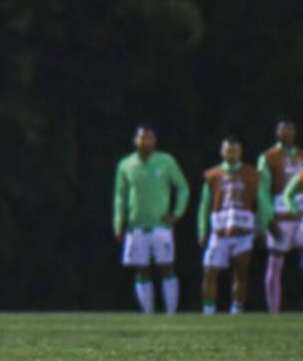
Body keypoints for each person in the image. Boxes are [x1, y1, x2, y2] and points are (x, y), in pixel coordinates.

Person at [113, 124, 190, 313]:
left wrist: (177, 213)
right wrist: (118, 222)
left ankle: (171, 312)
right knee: (141, 268)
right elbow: (120, 196)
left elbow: (182, 187)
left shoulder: (166, 161)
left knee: (167, 266)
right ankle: (148, 313)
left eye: (148, 138)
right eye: (141, 138)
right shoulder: (126, 164)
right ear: (135, 140)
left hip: (161, 225)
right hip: (136, 226)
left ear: (154, 141)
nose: (145, 142)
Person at [198, 136, 273, 314]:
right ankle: (208, 310)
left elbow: (263, 202)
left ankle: (236, 310)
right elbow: (204, 205)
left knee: (241, 272)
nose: (231, 153)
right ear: (222, 152)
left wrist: (262, 226)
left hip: (243, 231)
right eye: (228, 150)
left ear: (240, 152)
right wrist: (202, 230)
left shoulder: (252, 174)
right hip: (220, 230)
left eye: (235, 150)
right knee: (210, 271)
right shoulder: (213, 175)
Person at [258, 118, 303, 312]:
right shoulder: (268, 157)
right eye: (283, 130)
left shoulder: (301, 155)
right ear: (277, 133)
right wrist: (268, 219)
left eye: (290, 129)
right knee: (275, 262)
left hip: (300, 213)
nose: (287, 133)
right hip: (280, 214)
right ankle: (273, 311)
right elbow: (262, 191)